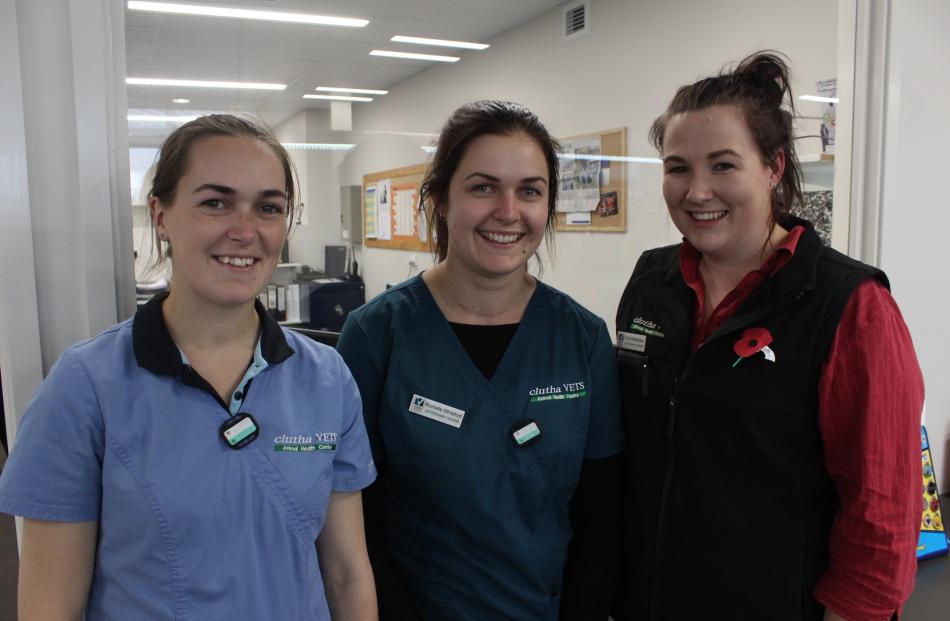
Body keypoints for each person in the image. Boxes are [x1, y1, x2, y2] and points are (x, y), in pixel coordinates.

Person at [0, 114, 378, 620]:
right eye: (215, 203)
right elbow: (50, 607)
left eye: (268, 207)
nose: (245, 231)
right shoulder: (86, 386)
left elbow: (347, 572)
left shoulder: (326, 377)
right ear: (160, 214)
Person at [614, 52, 924, 621]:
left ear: (774, 168)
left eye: (724, 165)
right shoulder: (651, 281)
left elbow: (881, 522)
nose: (696, 191)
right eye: (677, 167)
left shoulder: (850, 306)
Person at [337, 100, 624, 621]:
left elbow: (601, 519)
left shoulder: (581, 337)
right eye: (483, 186)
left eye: (530, 191)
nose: (508, 211)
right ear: (441, 199)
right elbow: (356, 521)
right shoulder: (378, 333)